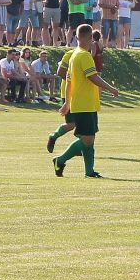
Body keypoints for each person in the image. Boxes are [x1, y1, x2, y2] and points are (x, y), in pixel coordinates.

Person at [52, 23, 120, 178]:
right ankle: (61, 160)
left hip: (83, 103)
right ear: (90, 38)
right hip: (84, 104)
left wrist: (67, 102)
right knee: (87, 139)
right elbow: (93, 77)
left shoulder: (74, 54)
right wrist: (111, 89)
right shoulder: (84, 55)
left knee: (89, 138)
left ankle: (88, 171)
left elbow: (69, 81)